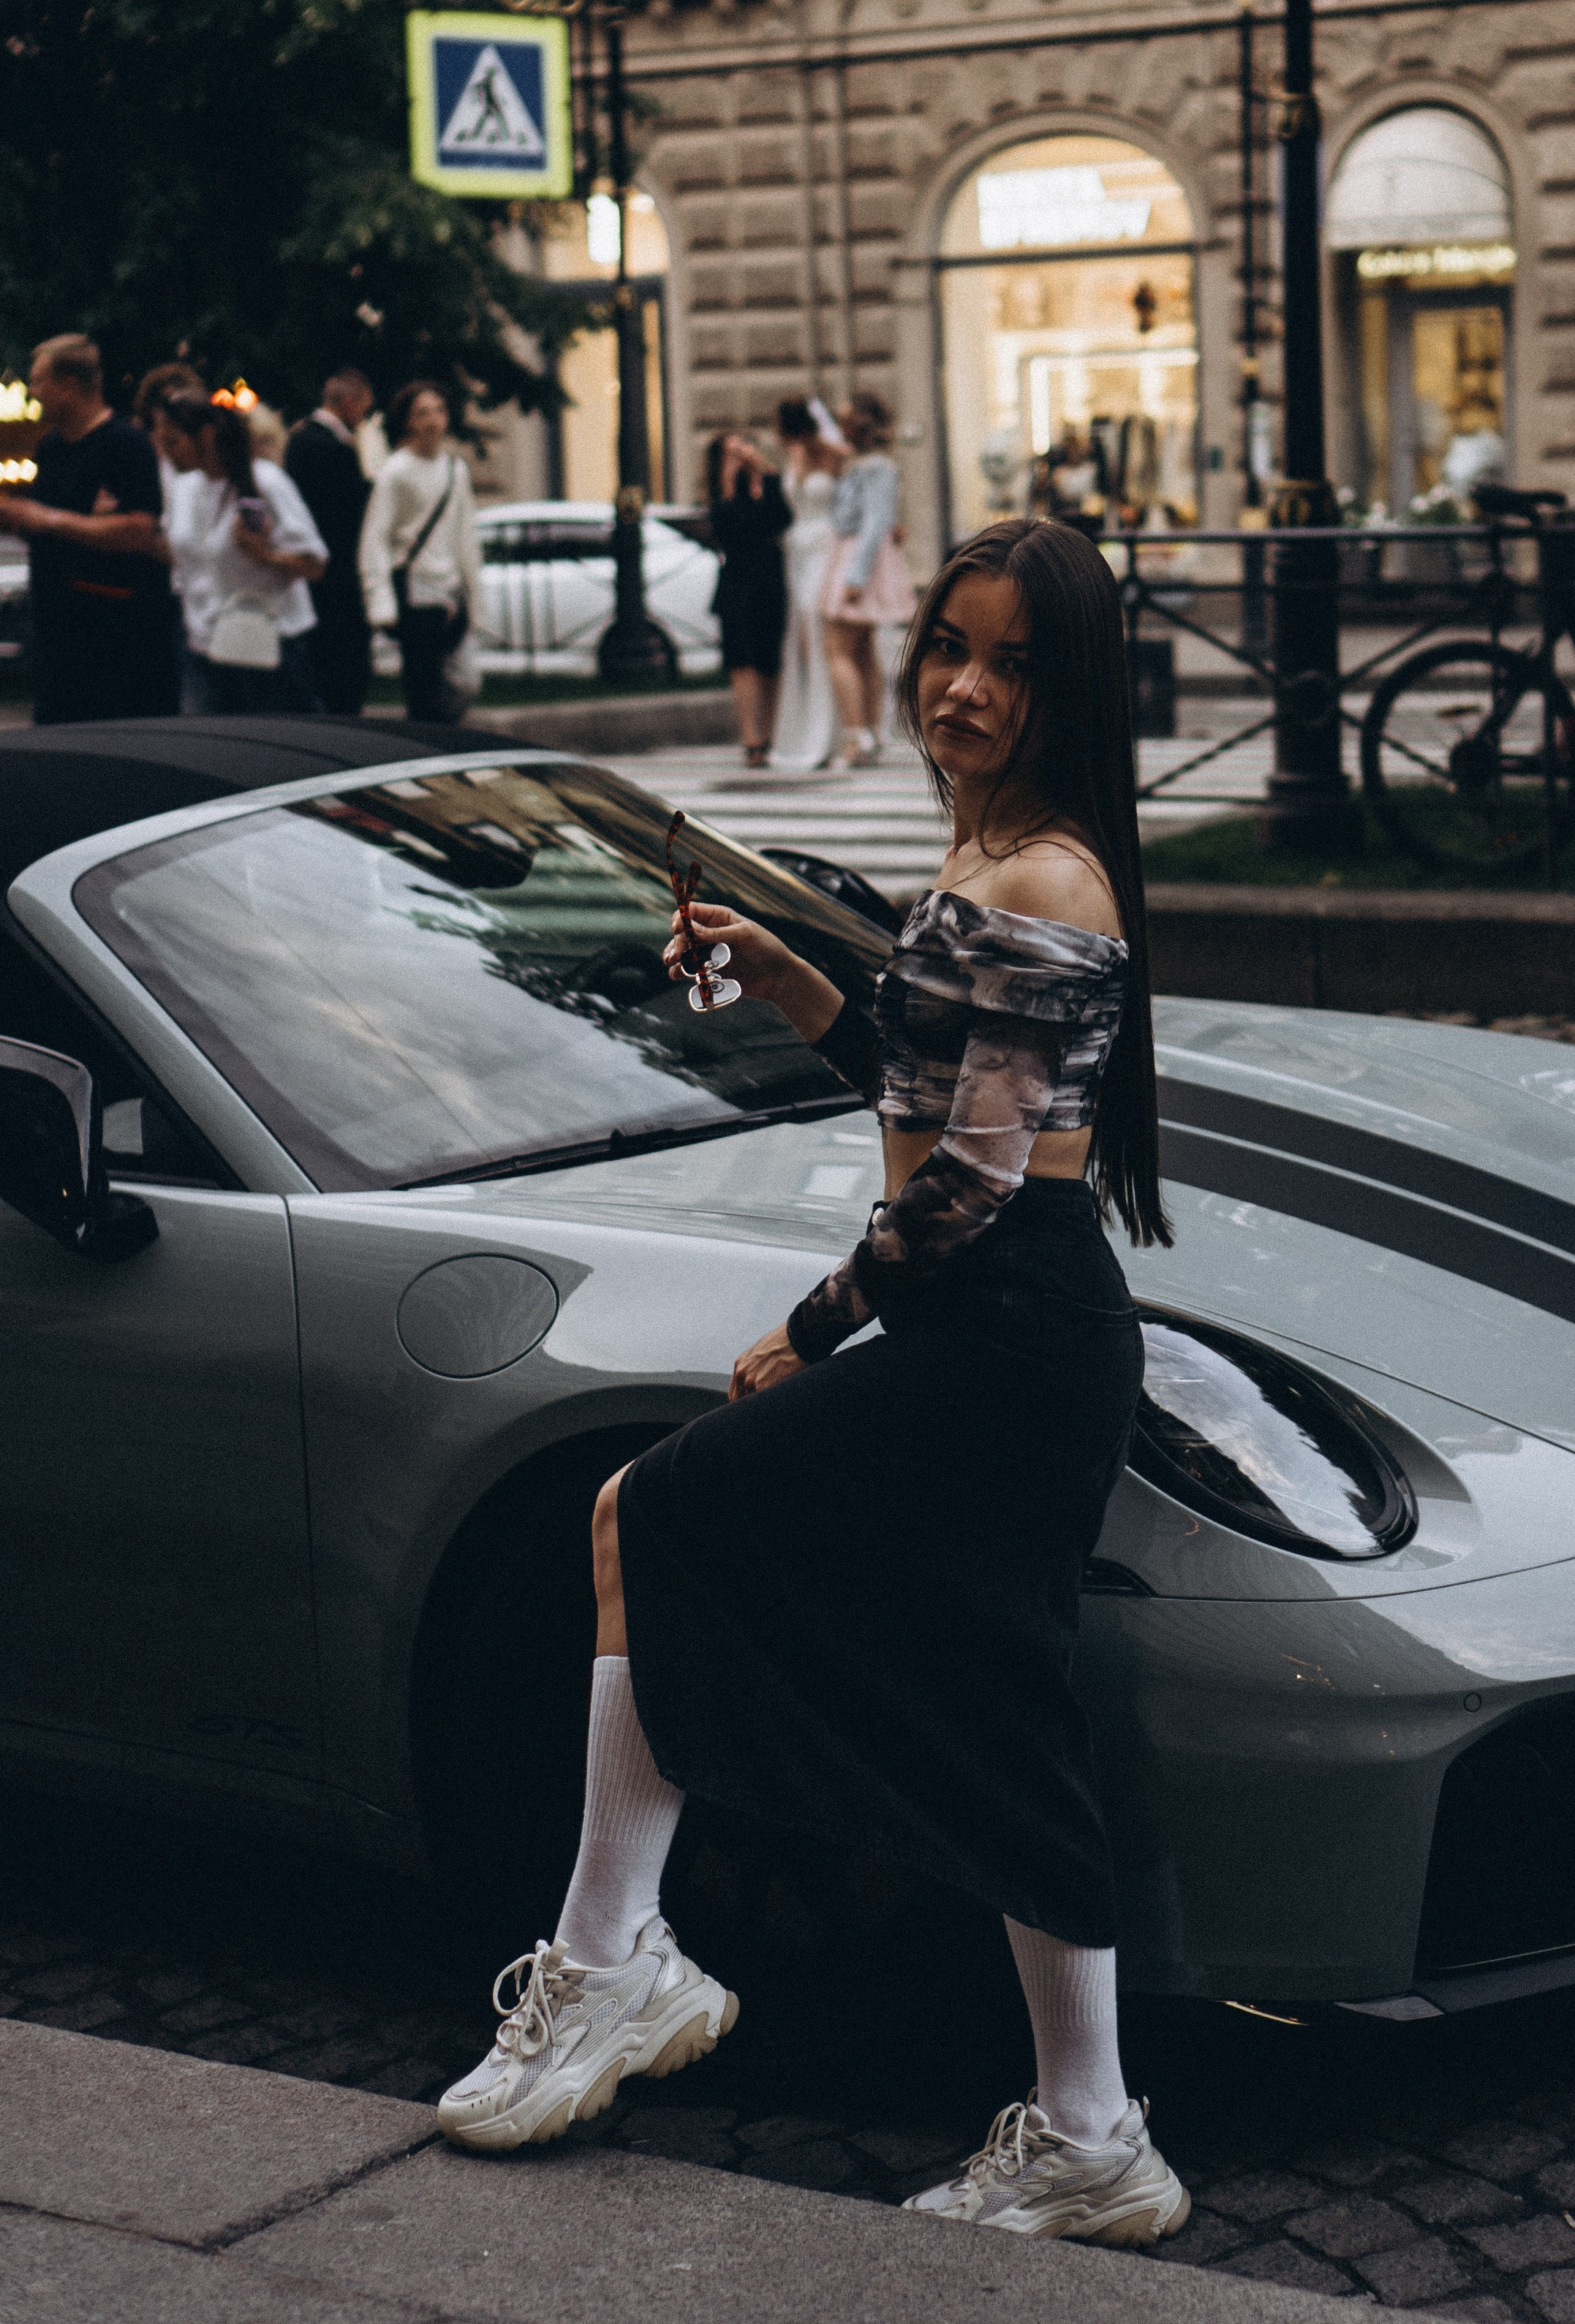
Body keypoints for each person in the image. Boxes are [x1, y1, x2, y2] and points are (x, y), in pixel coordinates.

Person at [438, 516, 1192, 2252]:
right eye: (947, 644)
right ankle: (1087, 2132)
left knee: (658, 1503)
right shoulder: (993, 857)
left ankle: (613, 1960)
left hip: (1000, 1334)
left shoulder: (1048, 879)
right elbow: (924, 1088)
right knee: (996, 1712)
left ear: (1065, 687)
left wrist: (817, 1322)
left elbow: (980, 1173)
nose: (961, 684)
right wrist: (789, 977)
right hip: (991, 1333)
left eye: (1010, 661)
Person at [0, 333, 177, 724]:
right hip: (55, 633)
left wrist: (49, 519)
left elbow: (141, 531)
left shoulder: (125, 444)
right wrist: (22, 517)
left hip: (116, 635)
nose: (33, 391)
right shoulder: (50, 447)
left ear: (70, 385)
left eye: (40, 381)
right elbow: (44, 522)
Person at [151, 390, 328, 715]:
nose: (167, 452)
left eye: (174, 442)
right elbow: (181, 556)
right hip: (202, 645)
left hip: (267, 647)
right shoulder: (185, 488)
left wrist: (264, 555)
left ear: (205, 436)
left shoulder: (265, 481)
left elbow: (315, 564)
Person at [359, 381, 480, 727]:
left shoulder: (456, 470)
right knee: (423, 688)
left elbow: (465, 535)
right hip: (416, 590)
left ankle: (440, 742)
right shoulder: (396, 472)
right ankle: (428, 753)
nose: (433, 420)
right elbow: (376, 537)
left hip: (451, 590)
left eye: (439, 411)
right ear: (409, 422)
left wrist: (474, 593)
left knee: (466, 681)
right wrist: (380, 600)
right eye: (422, 413)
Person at [823, 389, 915, 770]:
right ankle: (871, 733)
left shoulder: (875, 467)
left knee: (838, 649)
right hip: (861, 555)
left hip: (858, 559)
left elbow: (873, 521)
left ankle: (856, 735)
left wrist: (855, 576)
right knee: (860, 650)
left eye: (845, 420)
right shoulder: (867, 465)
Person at [286, 370, 377, 717]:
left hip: (315, 568)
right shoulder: (335, 447)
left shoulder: (300, 437)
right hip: (338, 568)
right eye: (364, 409)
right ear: (350, 403)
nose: (364, 418)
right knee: (343, 660)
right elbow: (351, 509)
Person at [706, 429, 792, 768]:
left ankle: (769, 737)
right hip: (737, 584)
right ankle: (751, 739)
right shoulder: (720, 494)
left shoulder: (765, 484)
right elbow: (726, 532)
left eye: (743, 448)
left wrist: (762, 473)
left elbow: (783, 519)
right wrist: (727, 484)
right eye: (731, 452)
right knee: (743, 663)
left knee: (770, 662)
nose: (740, 456)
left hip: (769, 580)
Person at [767, 397, 843, 771]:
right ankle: (809, 726)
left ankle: (834, 731)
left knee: (820, 630)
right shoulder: (794, 453)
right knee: (802, 633)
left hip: (824, 544)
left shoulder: (829, 452)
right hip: (799, 548)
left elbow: (835, 487)